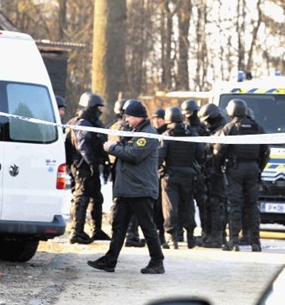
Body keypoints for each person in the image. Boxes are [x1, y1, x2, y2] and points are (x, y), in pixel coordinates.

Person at [87, 100, 165, 274]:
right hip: (128, 190)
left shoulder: (148, 134)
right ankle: (110, 260)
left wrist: (112, 148)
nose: (126, 119)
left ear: (137, 117)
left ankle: (157, 261)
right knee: (119, 226)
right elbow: (125, 148)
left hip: (141, 190)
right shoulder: (133, 132)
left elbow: (134, 155)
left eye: (129, 116)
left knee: (147, 227)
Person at [213, 99, 269, 252]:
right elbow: (266, 151)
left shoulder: (229, 128)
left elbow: (218, 150)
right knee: (252, 206)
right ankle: (255, 242)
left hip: (235, 170)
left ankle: (234, 241)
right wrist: (258, 168)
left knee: (235, 205)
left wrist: (218, 168)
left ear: (231, 111)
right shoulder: (258, 127)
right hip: (252, 169)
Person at [158, 107, 205, 249]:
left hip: (170, 176)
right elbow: (201, 154)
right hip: (189, 176)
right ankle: (190, 237)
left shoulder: (166, 136)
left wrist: (160, 172)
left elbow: (159, 157)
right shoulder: (192, 134)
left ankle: (173, 238)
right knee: (188, 206)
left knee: (170, 207)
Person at [67, 92, 110, 244]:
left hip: (91, 166)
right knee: (82, 197)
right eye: (98, 107)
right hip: (82, 166)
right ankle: (76, 232)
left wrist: (102, 164)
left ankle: (96, 230)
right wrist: (91, 163)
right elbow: (83, 145)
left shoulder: (93, 123)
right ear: (90, 107)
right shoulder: (82, 124)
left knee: (96, 197)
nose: (100, 111)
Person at [107, 99, 144, 247]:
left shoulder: (113, 127)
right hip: (125, 168)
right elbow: (128, 150)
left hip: (116, 167)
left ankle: (121, 235)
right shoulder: (124, 128)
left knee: (119, 203)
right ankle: (131, 235)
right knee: (128, 204)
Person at [197, 103, 229, 248]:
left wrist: (214, 169)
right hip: (211, 173)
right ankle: (211, 235)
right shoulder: (213, 130)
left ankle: (217, 237)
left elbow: (218, 154)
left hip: (218, 174)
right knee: (210, 205)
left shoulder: (223, 131)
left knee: (217, 206)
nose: (205, 123)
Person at [181, 99, 208, 244]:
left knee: (202, 204)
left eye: (190, 113)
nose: (188, 116)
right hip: (188, 171)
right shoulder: (183, 129)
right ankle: (184, 234)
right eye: (186, 114)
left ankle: (204, 232)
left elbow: (205, 151)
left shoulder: (202, 129)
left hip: (199, 172)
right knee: (185, 204)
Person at [150, 107, 168, 247]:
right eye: (154, 118)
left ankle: (163, 235)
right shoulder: (152, 132)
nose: (156, 121)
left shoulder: (168, 133)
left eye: (159, 118)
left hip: (164, 175)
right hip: (154, 175)